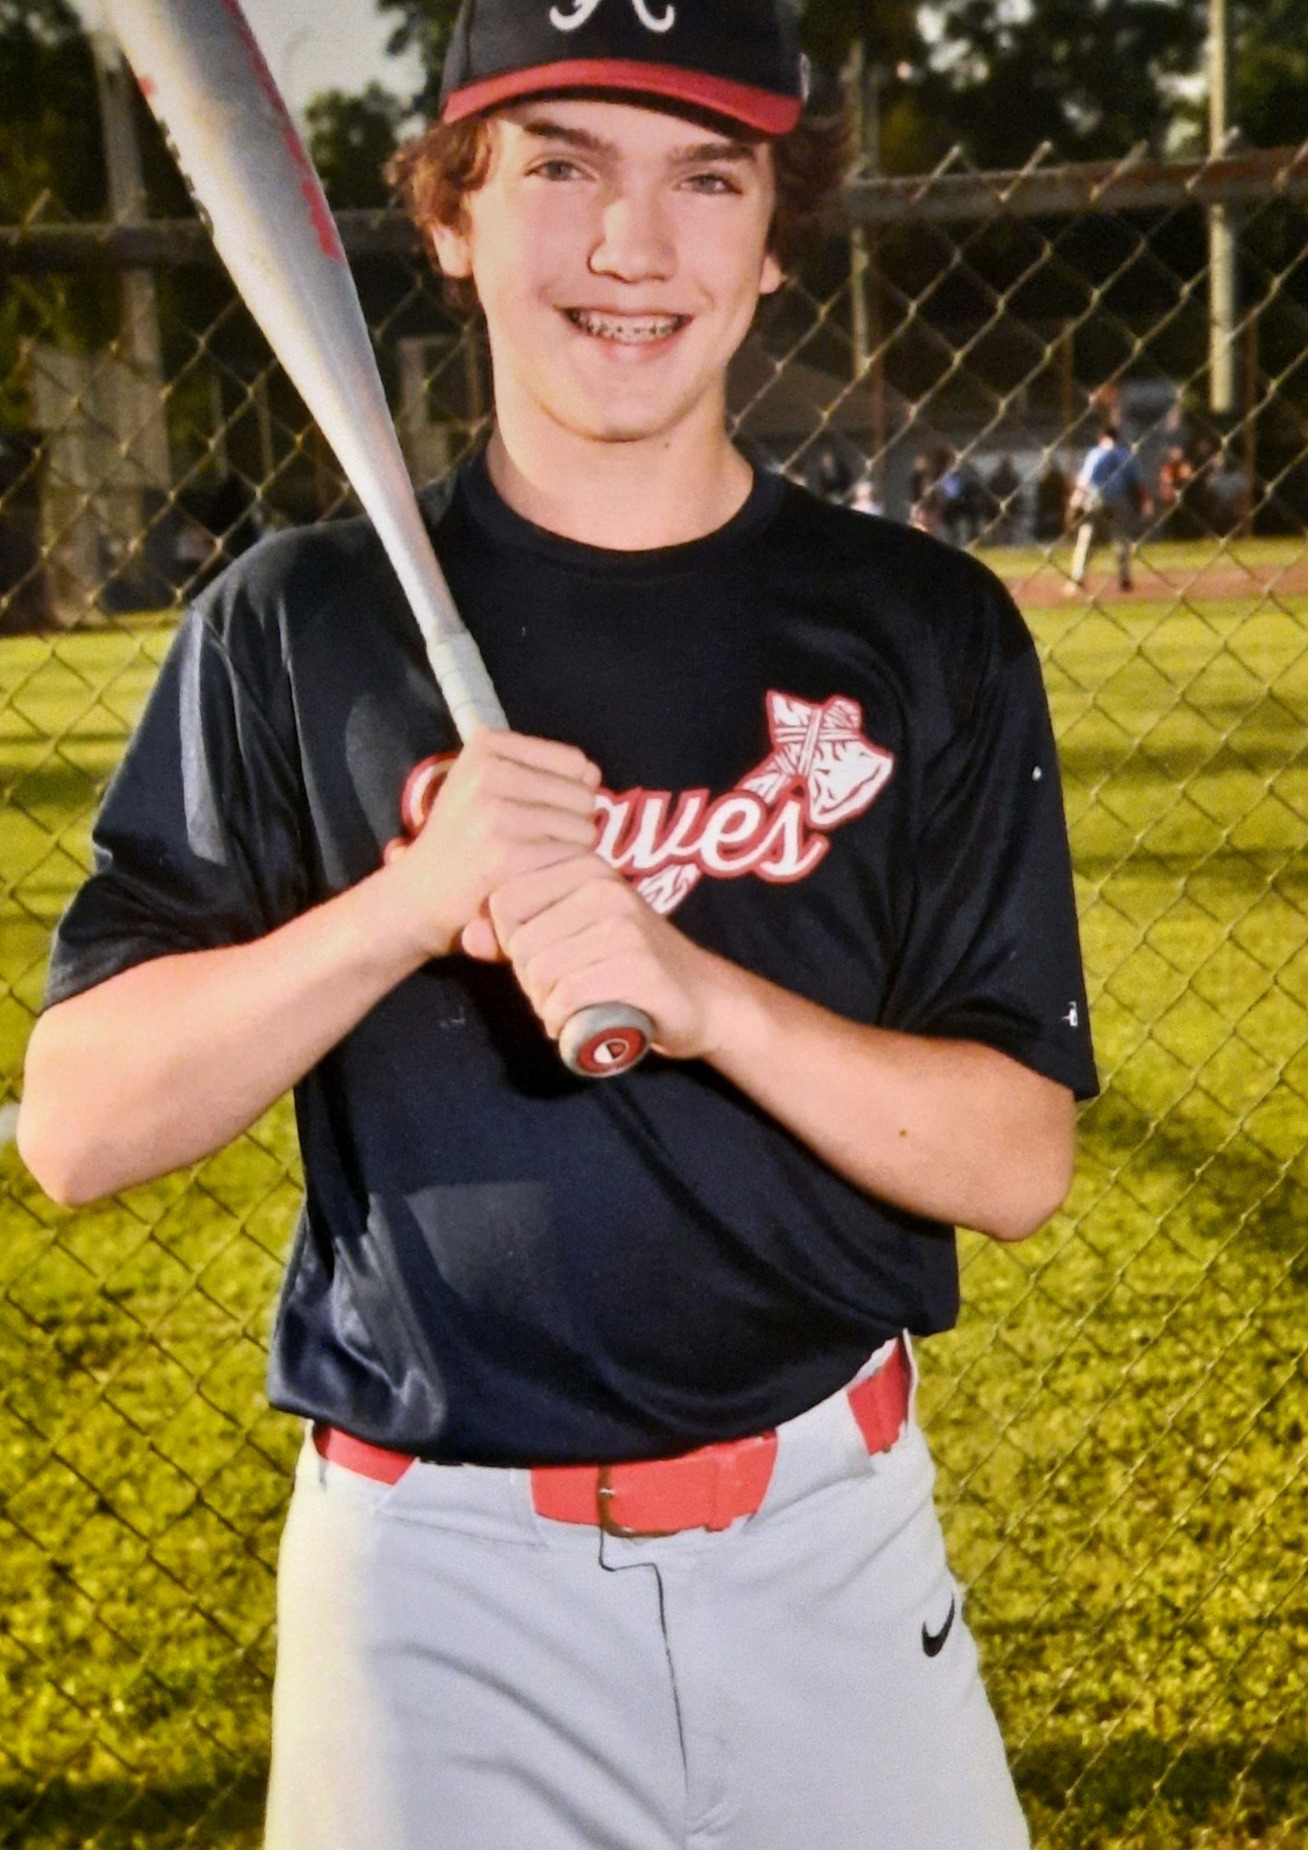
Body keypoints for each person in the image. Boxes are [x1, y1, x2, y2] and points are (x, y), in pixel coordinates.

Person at [18, 3, 1098, 1846]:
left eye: (707, 178)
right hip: (437, 1591)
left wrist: (703, 994)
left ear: (774, 242)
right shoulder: (297, 624)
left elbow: (1014, 1163)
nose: (632, 244)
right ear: (452, 216)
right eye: (562, 166)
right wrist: (404, 907)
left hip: (830, 1544)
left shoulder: (925, 629)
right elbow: (78, 1125)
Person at [1066, 422, 1151, 593]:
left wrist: (1075, 501)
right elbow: (1137, 482)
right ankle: (1124, 579)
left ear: (1101, 438)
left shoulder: (1096, 453)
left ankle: (1078, 578)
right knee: (1121, 539)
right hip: (1119, 499)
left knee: (1087, 537)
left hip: (1096, 499)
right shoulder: (1126, 454)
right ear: (1117, 437)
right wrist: (1144, 501)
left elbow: (1084, 481)